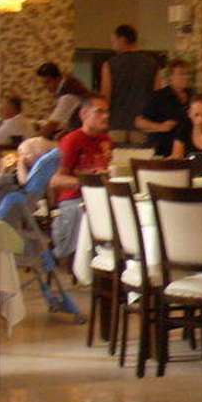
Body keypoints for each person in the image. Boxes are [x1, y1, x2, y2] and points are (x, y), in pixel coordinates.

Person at [50, 96, 112, 259]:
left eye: (107, 112)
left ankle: (111, 258)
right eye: (99, 112)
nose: (106, 116)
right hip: (74, 198)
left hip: (99, 197)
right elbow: (55, 181)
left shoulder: (106, 141)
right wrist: (87, 182)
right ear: (84, 114)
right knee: (86, 211)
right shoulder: (72, 140)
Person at [100, 25, 158, 143]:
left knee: (115, 155)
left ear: (122, 40)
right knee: (142, 155)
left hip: (116, 124)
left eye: (114, 41)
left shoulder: (109, 65)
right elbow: (157, 98)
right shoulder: (152, 65)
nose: (112, 45)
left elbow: (105, 97)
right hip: (142, 125)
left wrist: (102, 122)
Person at [135, 58, 194, 156]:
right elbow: (140, 122)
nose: (185, 77)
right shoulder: (159, 97)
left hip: (187, 149)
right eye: (181, 74)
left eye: (187, 74)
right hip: (163, 148)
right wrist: (160, 127)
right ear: (170, 77)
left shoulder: (193, 96)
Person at [36, 62, 91, 134]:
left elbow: (52, 125)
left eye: (47, 82)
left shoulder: (68, 94)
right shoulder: (72, 85)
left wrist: (34, 138)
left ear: (57, 78)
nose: (45, 86)